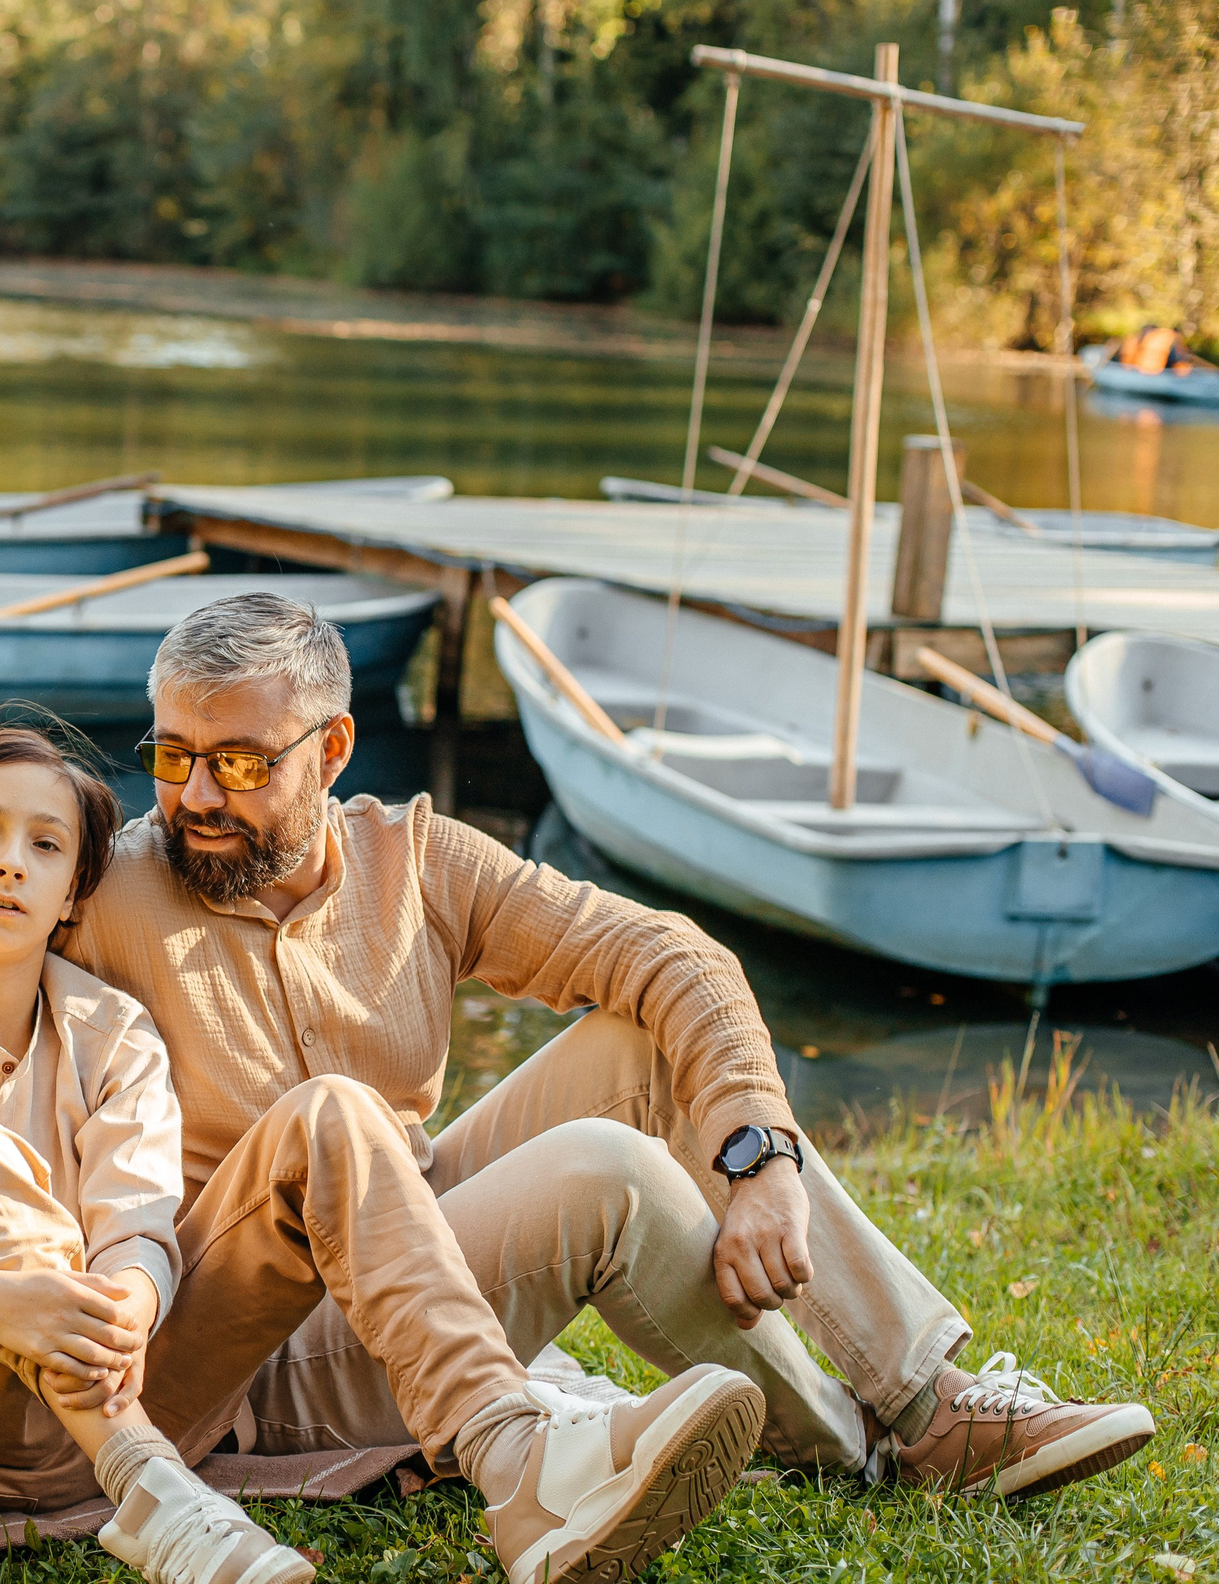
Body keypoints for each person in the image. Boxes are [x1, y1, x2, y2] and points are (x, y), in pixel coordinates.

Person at [61, 591, 1154, 1500]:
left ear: (333, 747)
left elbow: (671, 955)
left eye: (241, 764)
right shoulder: (102, 889)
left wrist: (758, 1157)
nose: (196, 796)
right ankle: (847, 1440)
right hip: (270, 1336)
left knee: (643, 1046)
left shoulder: (416, 860)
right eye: (171, 754)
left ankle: (927, 1396)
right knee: (608, 1170)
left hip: (425, 1219)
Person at [0, 725, 764, 1584]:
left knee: (333, 1110)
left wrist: (130, 1299)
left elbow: (139, 1219)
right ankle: (157, 1501)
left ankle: (513, 1458)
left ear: (74, 893)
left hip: (142, 1380)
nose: (11, 864)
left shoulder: (114, 1029)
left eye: (46, 844)